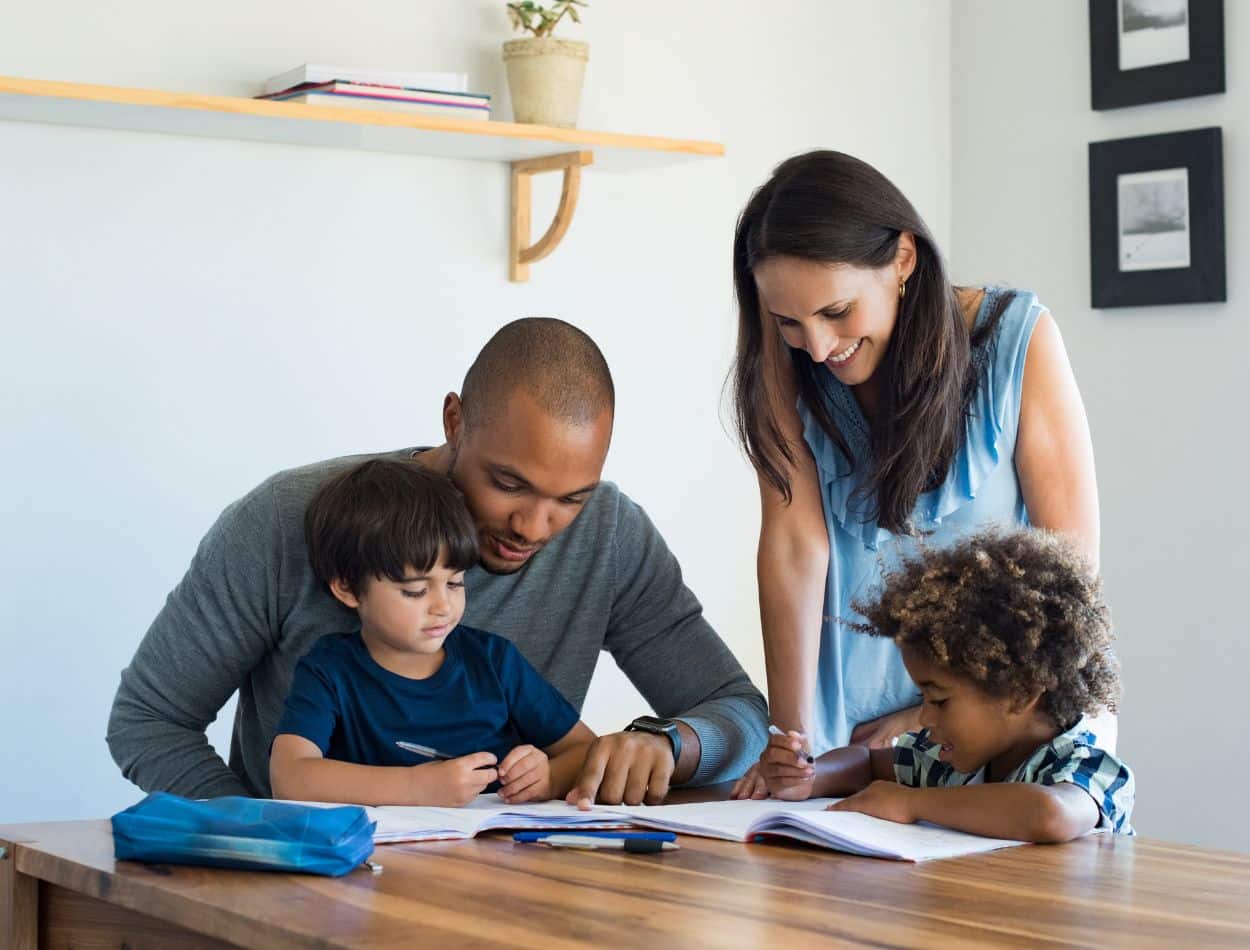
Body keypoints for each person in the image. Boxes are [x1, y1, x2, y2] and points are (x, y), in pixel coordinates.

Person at [108, 318, 766, 806]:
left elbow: (737, 711)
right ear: (455, 419)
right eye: (508, 484)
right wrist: (264, 839)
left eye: (571, 499)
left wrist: (669, 745)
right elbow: (149, 722)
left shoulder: (610, 534)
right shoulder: (287, 521)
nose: (534, 528)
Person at [727, 150, 1104, 797]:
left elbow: (1068, 575)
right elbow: (795, 548)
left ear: (903, 259)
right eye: (790, 322)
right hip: (842, 745)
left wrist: (930, 715)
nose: (817, 346)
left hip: (998, 735)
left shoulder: (1018, 341)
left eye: (836, 312)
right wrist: (790, 740)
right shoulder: (785, 370)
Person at [759, 527, 1134, 842]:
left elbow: (1049, 814)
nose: (923, 717)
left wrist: (910, 803)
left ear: (1020, 693)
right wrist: (809, 777)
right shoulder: (949, 760)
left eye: (938, 700)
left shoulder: (1084, 764)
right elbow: (866, 764)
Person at [270, 459, 596, 807]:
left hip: (495, 853)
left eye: (455, 582)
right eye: (415, 591)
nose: (443, 606)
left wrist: (548, 777)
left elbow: (586, 749)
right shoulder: (330, 670)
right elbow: (290, 777)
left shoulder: (493, 662)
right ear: (348, 588)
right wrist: (415, 787)